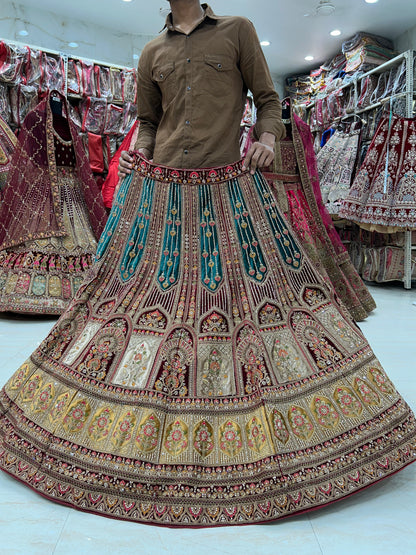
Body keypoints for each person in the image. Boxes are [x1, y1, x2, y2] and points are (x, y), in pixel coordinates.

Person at [0, 1, 415, 528]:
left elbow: (268, 100)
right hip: (160, 190)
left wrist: (266, 139)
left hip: (229, 187)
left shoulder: (238, 32)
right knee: (133, 303)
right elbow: (148, 121)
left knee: (260, 304)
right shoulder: (153, 51)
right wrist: (135, 153)